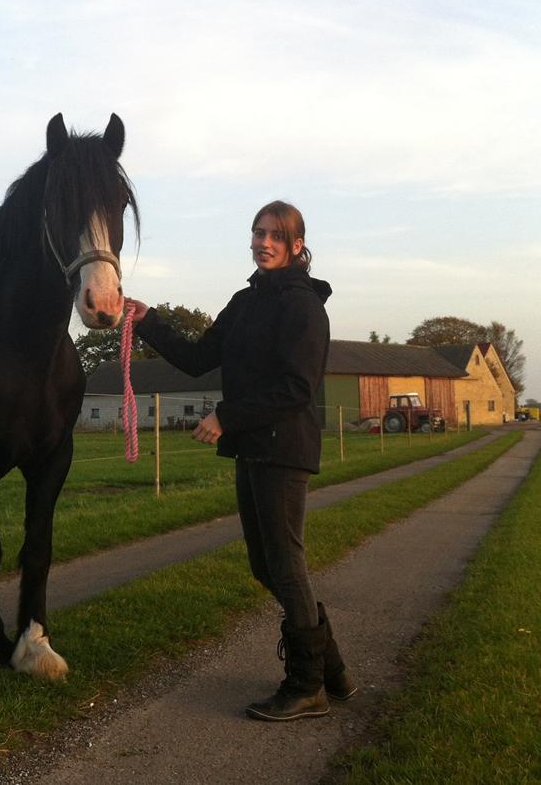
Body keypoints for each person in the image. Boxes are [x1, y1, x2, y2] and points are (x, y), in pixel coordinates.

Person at [127, 200, 355, 722]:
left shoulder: (303, 306)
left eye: (276, 235)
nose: (263, 242)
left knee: (285, 563)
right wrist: (148, 321)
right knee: (266, 565)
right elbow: (197, 358)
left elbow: (297, 389)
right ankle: (331, 670)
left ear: (298, 246)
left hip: (283, 449)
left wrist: (227, 417)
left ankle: (306, 685)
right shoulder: (244, 301)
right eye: (258, 233)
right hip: (254, 447)